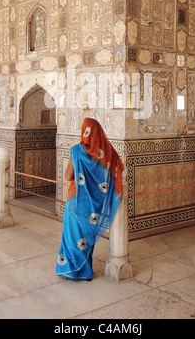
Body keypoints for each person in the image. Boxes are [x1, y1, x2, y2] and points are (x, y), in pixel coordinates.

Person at [56, 117, 124, 281]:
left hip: (75, 201)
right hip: (93, 205)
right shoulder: (107, 153)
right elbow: (119, 169)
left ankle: (69, 269)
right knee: (86, 236)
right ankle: (85, 272)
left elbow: (67, 176)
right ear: (99, 133)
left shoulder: (76, 151)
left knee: (71, 235)